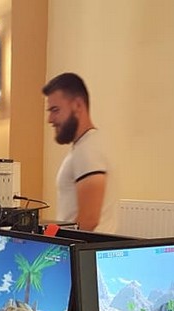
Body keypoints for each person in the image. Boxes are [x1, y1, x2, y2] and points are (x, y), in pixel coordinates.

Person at [42, 72, 112, 232]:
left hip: (82, 246)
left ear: (78, 105)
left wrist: (53, 243)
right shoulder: (86, 146)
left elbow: (89, 219)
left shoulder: (88, 150)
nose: (50, 119)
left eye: (55, 110)